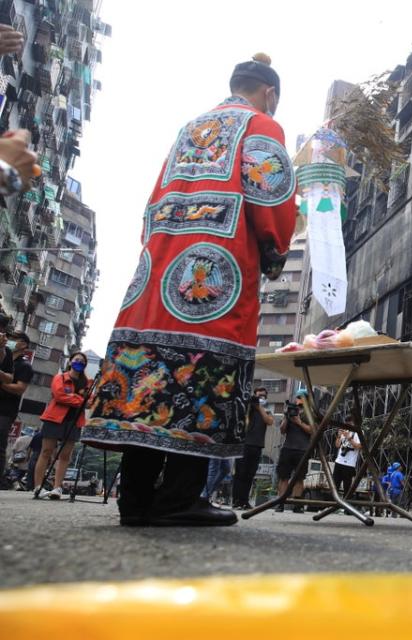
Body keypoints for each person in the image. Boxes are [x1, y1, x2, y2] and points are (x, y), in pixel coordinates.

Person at [80, 53, 297, 527]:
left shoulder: (190, 127)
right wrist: (276, 248)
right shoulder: (262, 125)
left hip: (158, 270)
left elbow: (154, 196)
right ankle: (178, 498)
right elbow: (271, 195)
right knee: (204, 372)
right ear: (270, 94)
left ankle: (134, 500)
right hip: (216, 271)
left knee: (148, 376)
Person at [35, 352, 90, 499]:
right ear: (70, 361)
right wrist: (79, 399)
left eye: (82, 361)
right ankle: (38, 487)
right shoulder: (60, 377)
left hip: (74, 421)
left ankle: (57, 488)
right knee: (46, 452)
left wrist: (74, 398)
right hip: (54, 418)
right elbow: (59, 396)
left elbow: (90, 402)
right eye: (76, 360)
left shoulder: (87, 383)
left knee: (66, 456)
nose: (79, 362)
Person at [232, 386, 274, 509]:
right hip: (244, 444)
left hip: (257, 445)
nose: (261, 398)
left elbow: (270, 421)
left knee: (250, 474)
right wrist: (251, 405)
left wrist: (259, 407)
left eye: (264, 396)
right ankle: (236, 500)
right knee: (240, 473)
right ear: (254, 395)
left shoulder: (266, 410)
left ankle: (244, 500)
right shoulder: (247, 407)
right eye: (259, 395)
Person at [0, 327, 33, 482]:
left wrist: (2, 384)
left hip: (5, 410)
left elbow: (20, 388)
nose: (10, 340)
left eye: (15, 339)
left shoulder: (24, 366)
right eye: (10, 337)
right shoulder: (4, 356)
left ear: (23, 345)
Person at [275, 393, 312, 514]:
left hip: (302, 450)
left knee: (299, 478)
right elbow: (282, 430)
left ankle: (297, 504)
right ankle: (280, 502)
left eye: (302, 399)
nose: (299, 400)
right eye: (298, 398)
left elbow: (312, 430)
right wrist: (286, 416)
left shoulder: (310, 413)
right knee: (283, 476)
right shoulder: (290, 412)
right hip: (288, 448)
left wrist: (299, 421)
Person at [332, 424, 362, 496]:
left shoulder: (359, 432)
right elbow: (337, 445)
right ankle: (333, 503)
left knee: (347, 487)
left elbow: (359, 446)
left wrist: (349, 438)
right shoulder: (345, 431)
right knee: (334, 486)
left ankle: (345, 504)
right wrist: (339, 436)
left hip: (349, 464)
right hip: (338, 461)